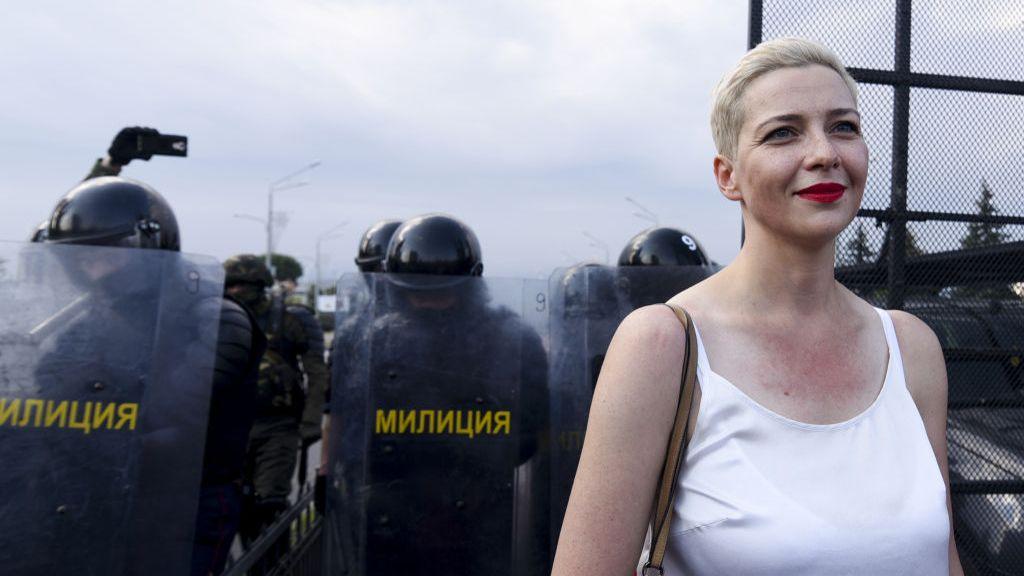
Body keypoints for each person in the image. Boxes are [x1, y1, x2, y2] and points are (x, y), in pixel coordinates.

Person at [552, 37, 964, 575]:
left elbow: (942, 560)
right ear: (728, 177)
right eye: (783, 133)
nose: (824, 153)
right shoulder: (663, 345)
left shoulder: (910, 347)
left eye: (844, 126)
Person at [35, 176, 265, 576]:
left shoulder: (212, 319)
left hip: (183, 506)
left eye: (105, 254)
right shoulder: (81, 328)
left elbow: (176, 417)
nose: (92, 269)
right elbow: (45, 405)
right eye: (82, 258)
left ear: (149, 246)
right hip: (94, 499)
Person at [327, 213, 550, 575]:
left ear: (469, 284)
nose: (428, 303)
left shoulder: (512, 338)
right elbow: (352, 424)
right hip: (391, 516)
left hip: (480, 516)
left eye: (442, 293)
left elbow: (528, 433)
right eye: (415, 293)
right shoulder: (374, 339)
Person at [225, 255, 327, 546]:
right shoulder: (218, 319)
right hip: (231, 427)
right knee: (234, 504)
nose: (236, 291)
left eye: (243, 285)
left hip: (278, 426)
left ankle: (273, 566)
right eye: (231, 285)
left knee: (269, 504)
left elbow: (317, 373)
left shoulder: (290, 319)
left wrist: (311, 422)